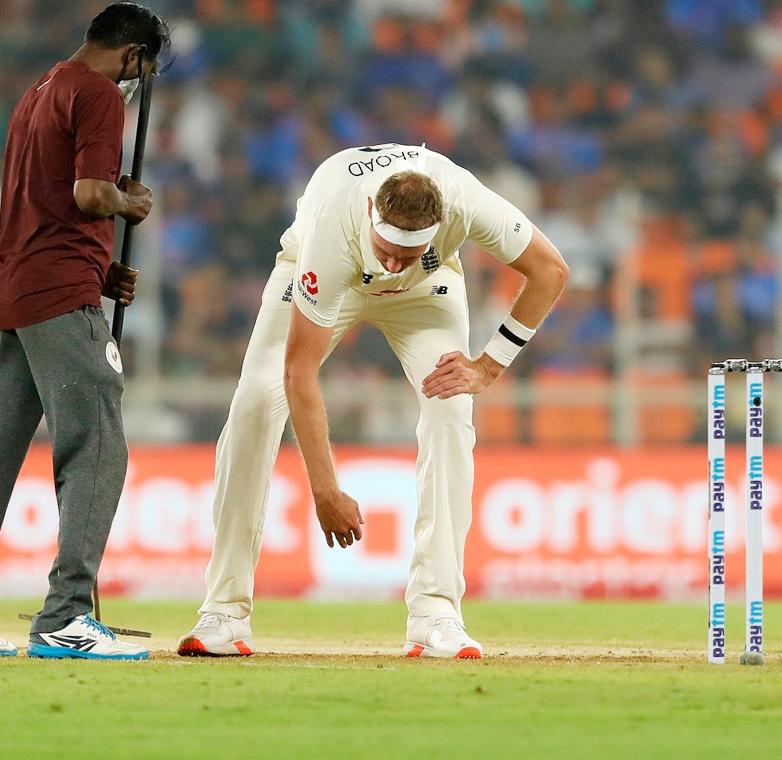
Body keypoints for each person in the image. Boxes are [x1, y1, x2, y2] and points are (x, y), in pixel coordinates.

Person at [178, 143, 569, 659]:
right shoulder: (332, 228)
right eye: (385, 249)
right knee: (253, 402)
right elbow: (300, 372)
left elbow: (551, 270)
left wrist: (488, 366)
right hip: (326, 276)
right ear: (370, 215)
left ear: (441, 224)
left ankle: (436, 611)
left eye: (405, 254)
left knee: (452, 408)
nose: (390, 265)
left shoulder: (466, 199)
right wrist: (325, 490)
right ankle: (225, 612)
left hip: (426, 291)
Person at [0, 2, 168, 660]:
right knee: (98, 446)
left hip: (16, 288)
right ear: (133, 56)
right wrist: (129, 200)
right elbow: (89, 194)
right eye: (141, 72)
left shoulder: (40, 91)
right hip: (58, 295)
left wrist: (102, 266)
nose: (134, 83)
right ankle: (66, 614)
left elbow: (47, 203)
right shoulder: (98, 95)